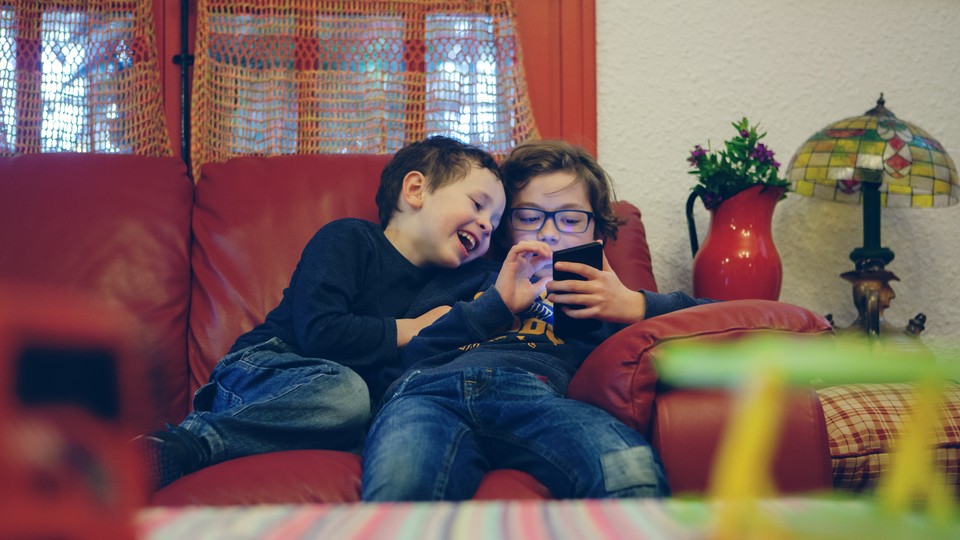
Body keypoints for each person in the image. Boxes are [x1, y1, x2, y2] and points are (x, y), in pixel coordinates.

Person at [134, 136, 506, 490]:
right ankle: (187, 443)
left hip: (333, 403)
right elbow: (320, 330)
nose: (488, 225)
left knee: (361, 421)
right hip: (267, 368)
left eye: (496, 222)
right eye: (477, 204)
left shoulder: (446, 284)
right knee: (347, 397)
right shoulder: (348, 239)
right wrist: (410, 329)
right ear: (415, 190)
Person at [361, 140, 715, 501]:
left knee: (631, 469)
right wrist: (494, 304)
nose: (548, 232)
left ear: (596, 234)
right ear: (505, 229)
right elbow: (409, 351)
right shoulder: (464, 274)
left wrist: (634, 304)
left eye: (571, 219)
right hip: (427, 392)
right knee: (402, 486)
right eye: (529, 217)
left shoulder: (602, 299)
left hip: (534, 395)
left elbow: (725, 320)